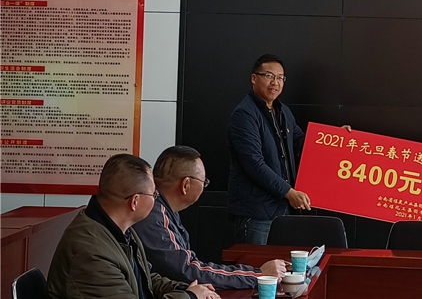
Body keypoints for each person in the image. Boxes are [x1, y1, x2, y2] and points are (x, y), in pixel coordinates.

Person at [47, 153, 219, 299]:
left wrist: (187, 289)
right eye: (154, 194)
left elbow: (146, 279)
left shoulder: (119, 228)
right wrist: (190, 296)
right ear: (135, 201)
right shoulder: (92, 252)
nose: (156, 199)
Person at [133, 145, 288, 289]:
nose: (204, 186)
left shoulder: (163, 209)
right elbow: (188, 270)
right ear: (186, 185)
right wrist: (258, 275)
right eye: (204, 182)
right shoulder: (153, 215)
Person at [227, 53, 310, 245]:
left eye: (280, 78)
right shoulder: (244, 115)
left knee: (283, 263)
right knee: (257, 264)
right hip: (257, 213)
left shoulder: (284, 111)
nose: (275, 82)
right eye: (269, 76)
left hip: (284, 210)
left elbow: (302, 143)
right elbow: (254, 164)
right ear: (254, 78)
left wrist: (335, 139)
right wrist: (289, 192)